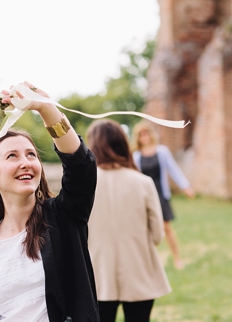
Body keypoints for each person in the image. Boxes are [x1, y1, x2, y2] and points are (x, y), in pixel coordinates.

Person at [0, 82, 98, 321]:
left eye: (31, 155)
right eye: (12, 156)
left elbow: (81, 166)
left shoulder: (63, 217)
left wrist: (46, 108)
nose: (25, 163)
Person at [86, 119, 170, 322]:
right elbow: (158, 236)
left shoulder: (84, 185)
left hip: (97, 278)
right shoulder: (143, 182)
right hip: (139, 274)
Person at [132, 120, 195, 270]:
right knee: (146, 230)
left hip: (161, 194)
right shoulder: (136, 156)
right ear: (138, 138)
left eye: (146, 134)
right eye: (141, 135)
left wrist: (185, 186)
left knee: (166, 227)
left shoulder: (162, 152)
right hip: (145, 196)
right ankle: (150, 262)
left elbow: (173, 169)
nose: (145, 137)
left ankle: (177, 259)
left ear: (151, 135)